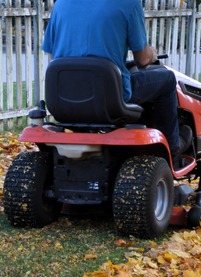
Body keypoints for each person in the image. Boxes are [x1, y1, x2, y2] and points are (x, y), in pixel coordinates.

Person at [41, 0, 191, 164]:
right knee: (168, 79)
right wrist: (152, 54)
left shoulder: (62, 4)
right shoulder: (129, 3)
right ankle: (171, 150)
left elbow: (52, 56)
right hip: (110, 97)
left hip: (64, 99)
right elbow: (142, 59)